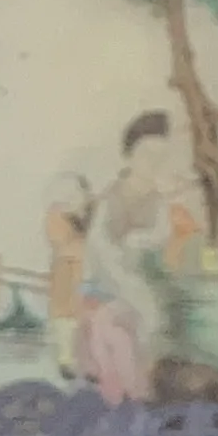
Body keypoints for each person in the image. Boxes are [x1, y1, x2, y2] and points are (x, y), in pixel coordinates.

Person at [75, 110, 184, 404]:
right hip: (105, 286)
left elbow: (162, 234)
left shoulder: (158, 201)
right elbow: (96, 245)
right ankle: (119, 396)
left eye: (160, 157)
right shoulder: (110, 197)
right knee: (106, 328)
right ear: (129, 155)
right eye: (146, 155)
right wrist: (114, 264)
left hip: (138, 286)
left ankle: (135, 396)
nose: (152, 164)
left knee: (131, 327)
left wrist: (139, 241)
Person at [41, 173, 91, 380]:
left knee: (87, 316)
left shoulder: (87, 214)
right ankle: (66, 361)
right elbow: (60, 243)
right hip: (65, 272)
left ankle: (89, 363)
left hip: (85, 272)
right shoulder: (56, 214)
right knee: (65, 318)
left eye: (79, 192)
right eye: (71, 192)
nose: (75, 196)